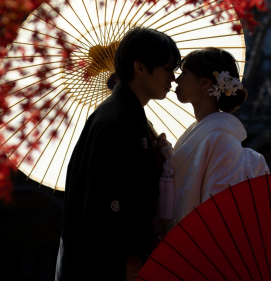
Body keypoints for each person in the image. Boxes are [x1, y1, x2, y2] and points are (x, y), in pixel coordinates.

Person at [55, 27, 179, 281]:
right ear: (141, 68)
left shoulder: (127, 115)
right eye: (168, 68)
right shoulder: (114, 119)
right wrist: (127, 256)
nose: (173, 78)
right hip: (108, 265)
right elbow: (106, 198)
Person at [158, 47, 269, 230]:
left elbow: (218, 208)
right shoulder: (204, 131)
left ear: (204, 83)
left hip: (199, 240)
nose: (176, 79)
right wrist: (167, 153)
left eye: (184, 73)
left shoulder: (222, 138)